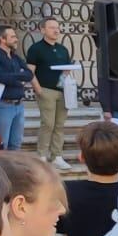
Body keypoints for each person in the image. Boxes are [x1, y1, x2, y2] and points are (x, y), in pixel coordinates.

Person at [24, 18, 76, 167]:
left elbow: (66, 69)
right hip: (46, 89)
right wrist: (38, 88)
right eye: (52, 27)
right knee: (48, 123)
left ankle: (57, 155)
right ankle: (42, 155)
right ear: (42, 30)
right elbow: (30, 71)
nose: (56, 30)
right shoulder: (36, 49)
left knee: (59, 124)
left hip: (62, 90)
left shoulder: (62, 49)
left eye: (57, 27)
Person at [0, 25, 35, 151]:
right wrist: (19, 76)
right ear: (2, 39)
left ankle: (13, 170)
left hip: (19, 106)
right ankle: (1, 170)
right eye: (12, 36)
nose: (16, 39)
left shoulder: (16, 57)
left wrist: (13, 77)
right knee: (2, 144)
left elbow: (29, 75)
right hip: (3, 106)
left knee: (16, 144)